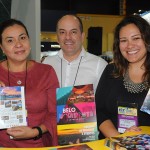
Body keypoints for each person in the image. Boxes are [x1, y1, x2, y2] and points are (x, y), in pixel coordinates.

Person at [0, 19, 59, 147]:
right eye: (10, 40)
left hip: (38, 144)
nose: (18, 44)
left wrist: (35, 132)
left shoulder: (46, 72)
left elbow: (55, 113)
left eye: (22, 38)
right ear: (2, 48)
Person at [95, 14, 150, 139]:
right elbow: (99, 110)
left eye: (136, 38)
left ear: (147, 39)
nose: (130, 46)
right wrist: (119, 139)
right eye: (124, 40)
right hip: (111, 143)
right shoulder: (111, 71)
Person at [43, 14, 107, 92]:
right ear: (57, 37)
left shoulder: (99, 65)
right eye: (62, 32)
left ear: (82, 36)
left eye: (73, 32)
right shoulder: (46, 64)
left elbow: (105, 101)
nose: (68, 37)